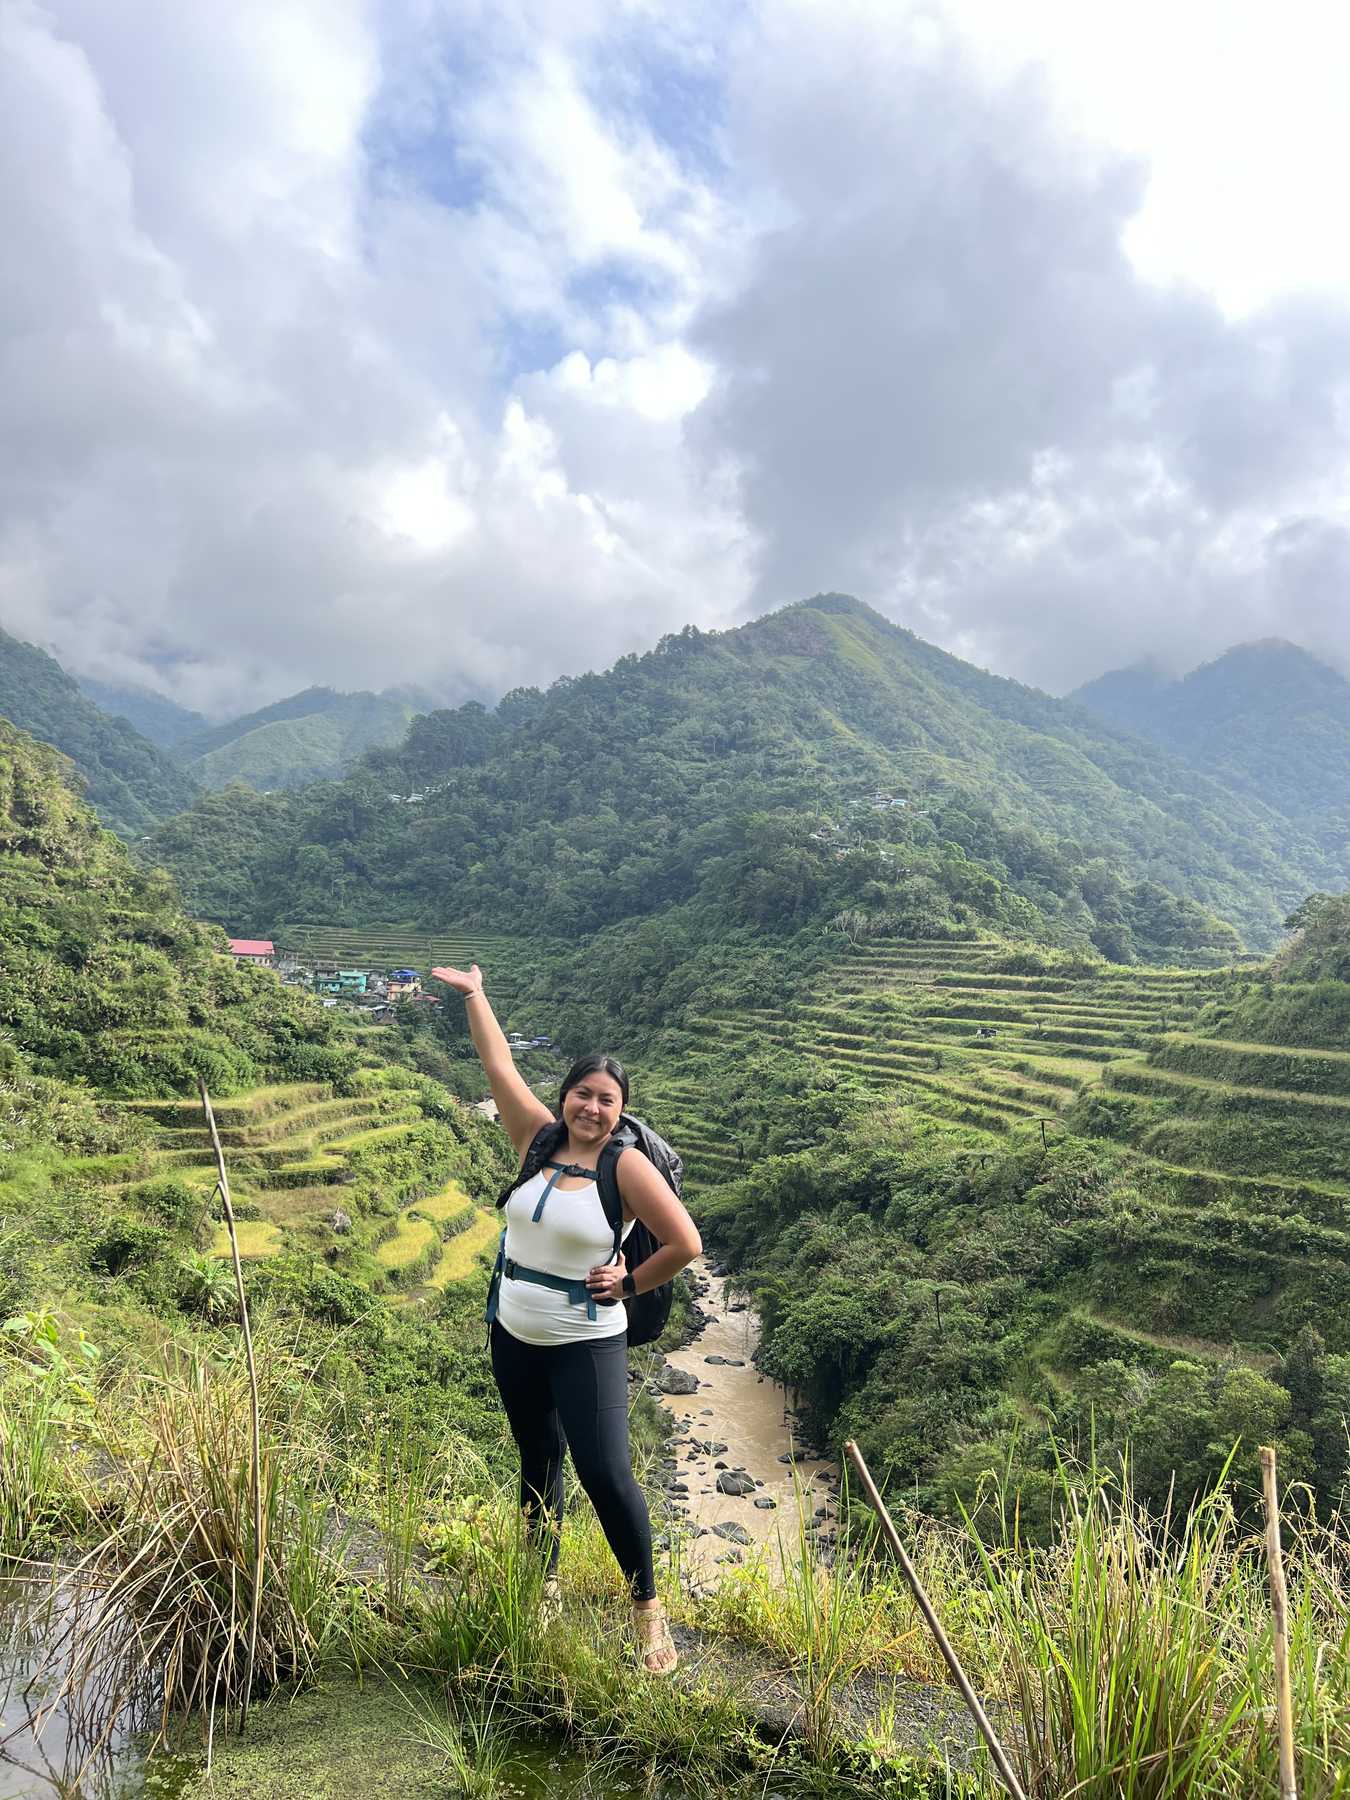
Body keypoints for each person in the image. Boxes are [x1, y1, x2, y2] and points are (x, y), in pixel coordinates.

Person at [429, 961, 702, 1675]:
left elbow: (686, 1243)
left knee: (607, 1472)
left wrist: (629, 1280)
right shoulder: (536, 1139)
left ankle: (646, 1608)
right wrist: (478, 995)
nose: (591, 1107)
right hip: (513, 1329)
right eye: (582, 1093)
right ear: (565, 1096)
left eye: (606, 1099)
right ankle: (541, 1584)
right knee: (537, 1460)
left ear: (621, 1111)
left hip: (586, 1338)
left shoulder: (626, 1167)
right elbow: (497, 1063)